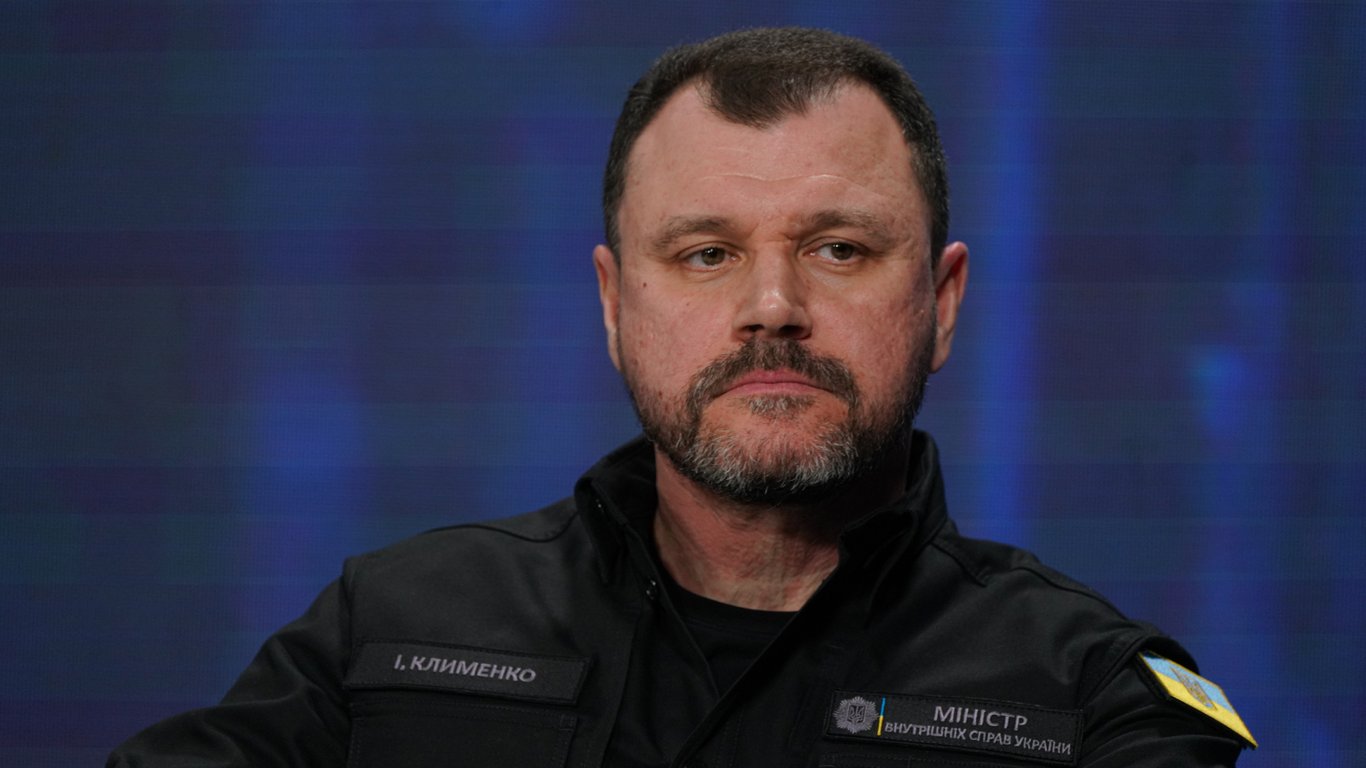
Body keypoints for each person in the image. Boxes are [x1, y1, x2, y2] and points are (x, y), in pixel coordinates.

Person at [109, 27, 1255, 767]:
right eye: (706, 254)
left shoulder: (1096, 696)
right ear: (614, 305)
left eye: (840, 249)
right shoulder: (390, 626)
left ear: (942, 305)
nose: (772, 307)